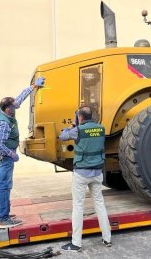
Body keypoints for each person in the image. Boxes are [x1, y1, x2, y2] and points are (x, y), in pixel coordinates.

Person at [0, 76, 45, 229]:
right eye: (14, 106)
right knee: (4, 186)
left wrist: (34, 86)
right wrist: (12, 154)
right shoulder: (3, 124)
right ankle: (4, 218)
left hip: (0, 155)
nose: (17, 107)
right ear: (8, 109)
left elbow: (20, 98)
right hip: (3, 156)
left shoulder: (5, 111)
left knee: (0, 185)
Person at [59, 106, 112, 252]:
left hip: (81, 174)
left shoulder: (78, 130)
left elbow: (62, 136)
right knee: (100, 205)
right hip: (97, 173)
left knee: (78, 206)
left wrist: (73, 124)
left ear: (80, 117)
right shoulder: (101, 128)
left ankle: (76, 243)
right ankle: (107, 238)